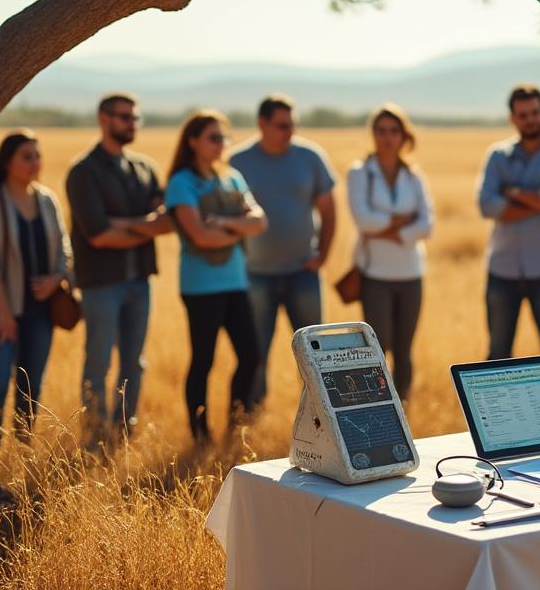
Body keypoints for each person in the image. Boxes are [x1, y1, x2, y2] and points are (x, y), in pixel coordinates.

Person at [66, 92, 172, 445]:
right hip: (100, 283)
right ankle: (94, 438)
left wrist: (122, 225)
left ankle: (123, 434)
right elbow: (98, 236)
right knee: (97, 364)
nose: (131, 123)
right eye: (124, 117)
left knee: (134, 363)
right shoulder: (83, 172)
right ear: (104, 119)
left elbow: (166, 222)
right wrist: (144, 227)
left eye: (135, 117)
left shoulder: (144, 168)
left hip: (139, 281)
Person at [167, 111, 268, 442]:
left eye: (224, 137)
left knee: (251, 356)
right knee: (203, 360)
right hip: (200, 287)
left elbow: (259, 221)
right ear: (193, 142)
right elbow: (199, 236)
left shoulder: (232, 177)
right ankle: (200, 435)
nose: (221, 143)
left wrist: (225, 225)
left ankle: (234, 427)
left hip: (234, 282)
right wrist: (239, 228)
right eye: (213, 137)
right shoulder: (181, 182)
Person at [231, 95, 337, 406]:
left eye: (292, 124)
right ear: (262, 123)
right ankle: (249, 421)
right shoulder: (238, 161)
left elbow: (329, 210)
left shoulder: (310, 156)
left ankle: (319, 415)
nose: (288, 131)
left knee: (313, 354)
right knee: (255, 354)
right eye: (281, 125)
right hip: (255, 276)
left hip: (302, 272)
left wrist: (324, 255)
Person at [0, 130, 72, 445]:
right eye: (26, 156)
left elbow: (65, 251)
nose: (35, 163)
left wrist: (57, 278)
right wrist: (3, 313)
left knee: (31, 387)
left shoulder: (46, 199)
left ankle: (22, 452)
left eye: (37, 155)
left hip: (40, 309)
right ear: (6, 162)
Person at [476, 84, 540, 359]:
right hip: (502, 270)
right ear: (512, 118)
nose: (530, 119)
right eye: (523, 115)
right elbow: (487, 206)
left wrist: (513, 194)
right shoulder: (498, 155)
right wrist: (539, 203)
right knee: (497, 354)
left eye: (534, 112)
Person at [346, 104, 433, 399]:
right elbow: (362, 220)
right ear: (373, 134)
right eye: (381, 131)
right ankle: (378, 408)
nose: (387, 137)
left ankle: (403, 408)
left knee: (405, 350)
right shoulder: (360, 173)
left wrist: (389, 229)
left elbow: (427, 225)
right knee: (376, 349)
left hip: (411, 273)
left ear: (403, 135)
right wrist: (403, 223)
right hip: (375, 275)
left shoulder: (414, 176)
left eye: (394, 131)